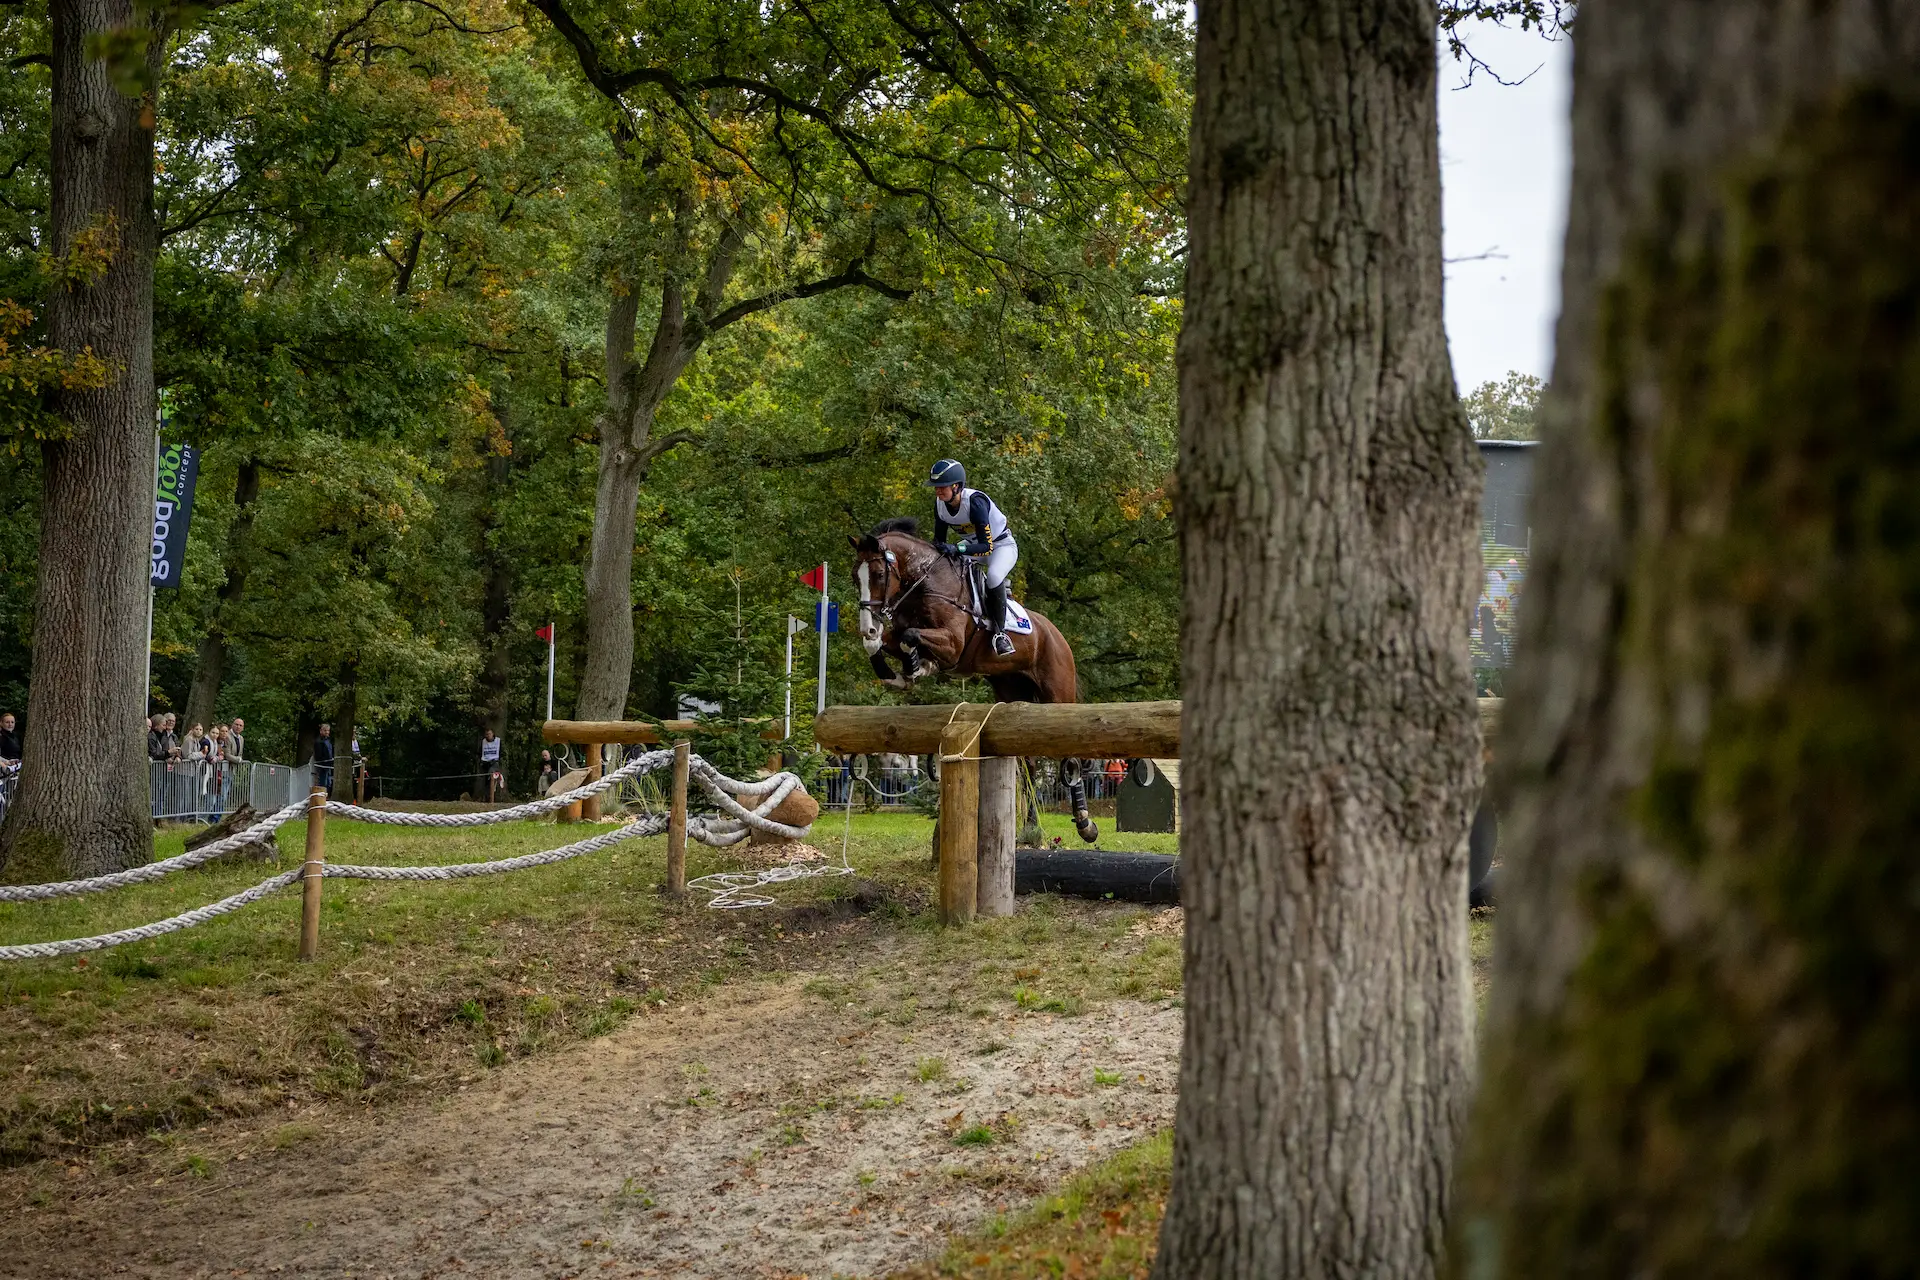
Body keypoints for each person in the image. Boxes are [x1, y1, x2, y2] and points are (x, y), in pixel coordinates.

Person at [927, 458, 1019, 658]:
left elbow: (987, 547)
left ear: (956, 486)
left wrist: (957, 548)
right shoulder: (940, 505)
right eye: (936, 487)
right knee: (944, 565)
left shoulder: (975, 503)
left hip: (1000, 546)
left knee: (994, 576)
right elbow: (939, 542)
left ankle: (1000, 634)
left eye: (942, 487)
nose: (938, 491)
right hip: (972, 546)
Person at [479, 728, 503, 803]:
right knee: (484, 780)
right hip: (485, 762)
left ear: (493, 734)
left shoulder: (498, 741)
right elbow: (479, 752)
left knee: (491, 775)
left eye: (489, 734)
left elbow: (501, 752)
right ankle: (485, 797)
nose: (488, 735)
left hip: (494, 762)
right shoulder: (483, 742)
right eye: (487, 734)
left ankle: (491, 797)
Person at [312, 723, 335, 792]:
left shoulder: (329, 740)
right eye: (325, 730)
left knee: (329, 783)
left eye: (328, 730)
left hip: (329, 765)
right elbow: (318, 756)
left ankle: (326, 795)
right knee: (323, 783)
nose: (327, 732)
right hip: (322, 766)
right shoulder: (318, 741)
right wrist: (324, 761)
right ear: (321, 731)